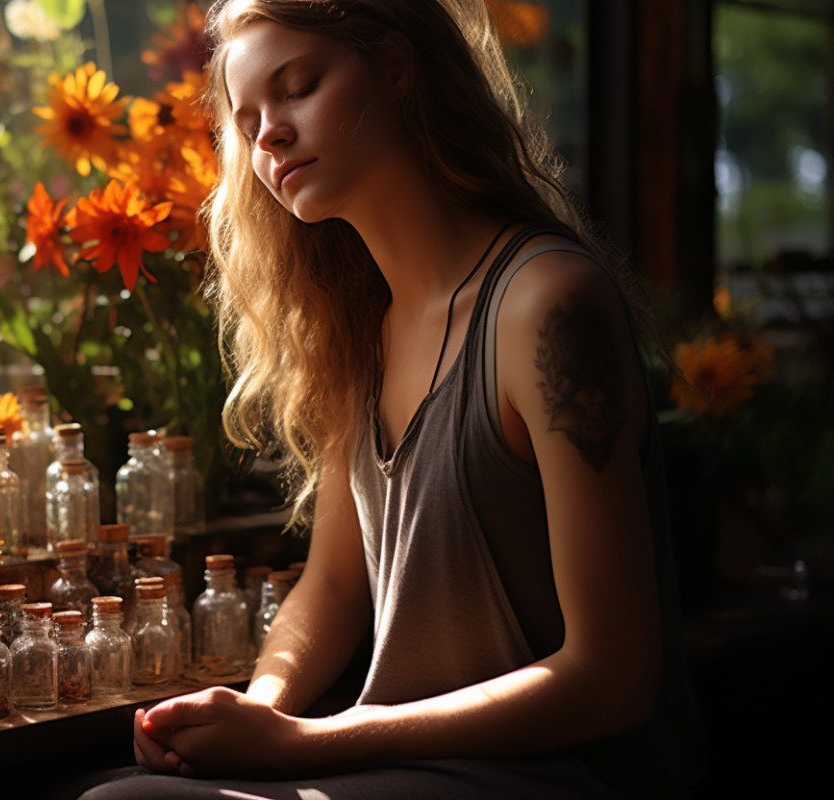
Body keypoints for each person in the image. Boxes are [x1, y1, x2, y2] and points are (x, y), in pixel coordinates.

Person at [78, 0, 703, 797]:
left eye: (299, 87)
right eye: (247, 121)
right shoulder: (359, 333)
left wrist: (307, 743)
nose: (269, 136)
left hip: (555, 776)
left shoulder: (548, 303)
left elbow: (611, 678)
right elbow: (334, 587)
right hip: (399, 767)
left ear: (398, 68)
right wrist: (255, 713)